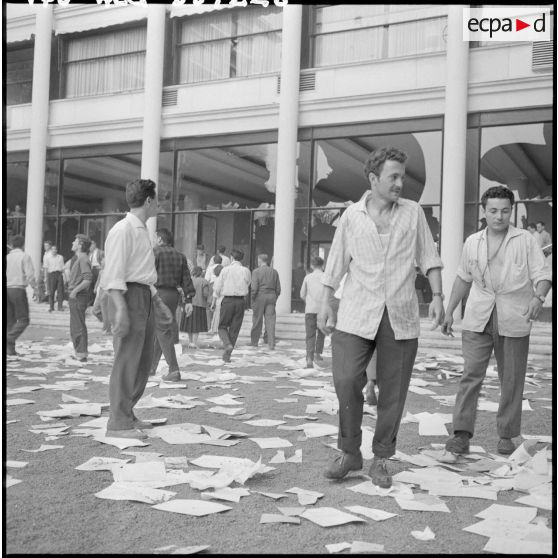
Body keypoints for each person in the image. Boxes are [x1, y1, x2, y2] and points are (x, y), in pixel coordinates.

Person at [317, 146, 445, 488]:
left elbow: (429, 257)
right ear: (373, 178)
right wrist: (325, 303)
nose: (400, 183)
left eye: (402, 176)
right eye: (393, 176)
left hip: (400, 313)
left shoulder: (413, 212)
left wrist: (437, 296)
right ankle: (349, 452)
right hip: (356, 311)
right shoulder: (351, 216)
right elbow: (335, 262)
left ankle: (382, 458)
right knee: (345, 379)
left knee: (393, 391)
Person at [442, 186, 552, 456]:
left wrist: (539, 297)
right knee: (471, 375)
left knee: (512, 379)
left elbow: (543, 274)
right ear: (483, 211)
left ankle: (507, 434)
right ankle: (461, 434)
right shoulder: (472, 242)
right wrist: (449, 311)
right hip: (478, 317)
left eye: (504, 211)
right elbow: (462, 278)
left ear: (511, 211)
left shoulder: (525, 240)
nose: (499, 216)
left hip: (514, 316)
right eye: (493, 210)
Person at [101, 178, 175, 439]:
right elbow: (114, 273)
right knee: (127, 358)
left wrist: (157, 302)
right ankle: (118, 423)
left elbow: (143, 273)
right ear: (148, 201)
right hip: (127, 296)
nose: (159, 204)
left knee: (143, 361)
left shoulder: (141, 230)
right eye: (156, 199)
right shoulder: (123, 230)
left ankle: (128, 413)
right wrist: (119, 308)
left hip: (143, 294)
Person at [150, 228, 195, 381]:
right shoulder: (180, 256)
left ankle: (174, 369)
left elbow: (146, 275)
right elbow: (187, 280)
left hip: (157, 293)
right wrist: (189, 300)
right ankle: (151, 367)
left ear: (160, 240)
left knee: (162, 332)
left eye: (156, 238)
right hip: (173, 295)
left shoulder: (154, 252)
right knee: (160, 330)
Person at [213, 248, 251, 362]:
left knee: (222, 326)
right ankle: (228, 355)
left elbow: (218, 286)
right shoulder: (246, 271)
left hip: (228, 300)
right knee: (235, 328)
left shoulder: (225, 270)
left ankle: (227, 344)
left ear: (231, 258)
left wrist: (215, 299)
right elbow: (248, 283)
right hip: (240, 301)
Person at [6, 235, 37, 356]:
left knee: (10, 320)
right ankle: (9, 337)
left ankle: (10, 350)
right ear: (23, 245)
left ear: (12, 245)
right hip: (18, 289)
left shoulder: (7, 257)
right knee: (24, 319)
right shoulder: (24, 256)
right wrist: (35, 289)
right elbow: (30, 274)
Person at [67, 234, 93, 362]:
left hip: (78, 296)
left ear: (80, 245)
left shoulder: (83, 258)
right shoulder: (78, 258)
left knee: (78, 325)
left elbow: (87, 280)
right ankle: (79, 352)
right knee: (75, 325)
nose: (72, 242)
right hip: (76, 296)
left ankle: (82, 354)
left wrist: (75, 291)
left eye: (75, 241)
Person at [250, 253, 281, 350]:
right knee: (270, 320)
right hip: (271, 296)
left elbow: (254, 287)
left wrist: (253, 298)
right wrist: (275, 297)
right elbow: (278, 288)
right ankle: (271, 344)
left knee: (257, 319)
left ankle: (254, 342)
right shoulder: (274, 272)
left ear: (259, 260)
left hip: (260, 296)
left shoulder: (256, 272)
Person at [300, 256, 325, 368]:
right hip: (322, 310)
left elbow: (302, 294)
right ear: (322, 265)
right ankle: (318, 353)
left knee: (310, 335)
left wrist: (308, 301)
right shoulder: (326, 277)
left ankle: (309, 358)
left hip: (310, 309)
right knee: (321, 333)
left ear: (312, 266)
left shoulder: (308, 277)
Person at [180, 266, 209, 348]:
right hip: (199, 305)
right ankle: (194, 343)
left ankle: (190, 341)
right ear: (201, 273)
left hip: (188, 305)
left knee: (189, 325)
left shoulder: (188, 281)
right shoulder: (204, 281)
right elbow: (205, 294)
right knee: (197, 325)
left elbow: (183, 293)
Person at [44, 244, 65, 312]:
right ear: (51, 250)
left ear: (57, 250)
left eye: (55, 249)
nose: (54, 251)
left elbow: (62, 267)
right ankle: (51, 307)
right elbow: (46, 268)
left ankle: (60, 307)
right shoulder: (48, 257)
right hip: (51, 274)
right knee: (51, 291)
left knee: (60, 291)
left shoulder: (60, 257)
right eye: (52, 249)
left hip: (59, 274)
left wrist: (64, 276)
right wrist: (45, 277)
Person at [209, 262, 225, 338]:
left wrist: (212, 304)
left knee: (217, 316)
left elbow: (215, 293)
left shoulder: (218, 280)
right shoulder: (226, 279)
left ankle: (216, 330)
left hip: (219, 299)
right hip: (226, 299)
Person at [89, 241, 103, 305]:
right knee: (91, 285)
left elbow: (104, 260)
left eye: (92, 244)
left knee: (97, 284)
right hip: (92, 269)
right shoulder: (90, 253)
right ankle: (92, 300)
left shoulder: (100, 252)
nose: (91, 246)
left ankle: (97, 301)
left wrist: (101, 267)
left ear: (95, 244)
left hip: (98, 268)